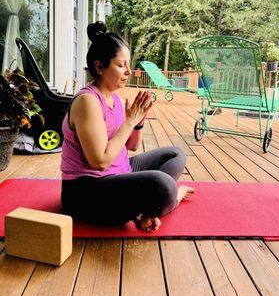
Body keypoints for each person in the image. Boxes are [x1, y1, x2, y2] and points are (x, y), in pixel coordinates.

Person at [60, 21, 194, 232]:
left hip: (119, 174)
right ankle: (168, 201)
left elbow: (131, 146)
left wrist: (138, 123)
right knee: (165, 186)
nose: (129, 71)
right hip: (88, 194)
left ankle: (143, 210)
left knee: (175, 155)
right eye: (122, 65)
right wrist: (130, 121)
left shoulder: (115, 99)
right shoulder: (88, 102)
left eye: (128, 65)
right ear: (99, 67)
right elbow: (100, 161)